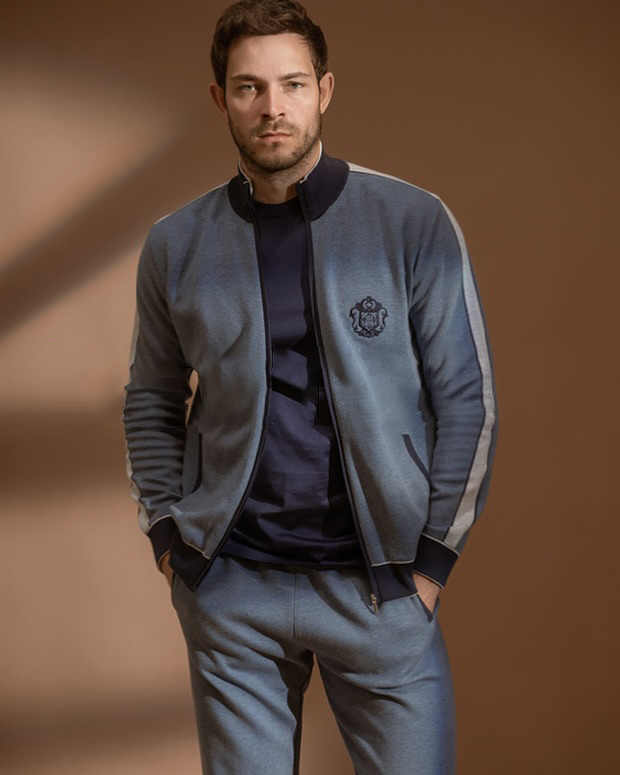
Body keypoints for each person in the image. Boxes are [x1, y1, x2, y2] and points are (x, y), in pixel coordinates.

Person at [123, 1, 497, 773]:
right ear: (221, 98)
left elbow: (467, 399)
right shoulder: (175, 244)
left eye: (292, 84)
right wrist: (171, 544)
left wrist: (429, 564)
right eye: (249, 87)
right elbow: (151, 398)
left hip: (381, 589)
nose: (273, 107)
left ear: (324, 89)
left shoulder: (414, 222)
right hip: (233, 591)